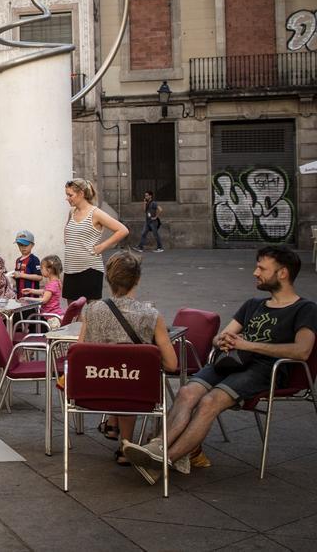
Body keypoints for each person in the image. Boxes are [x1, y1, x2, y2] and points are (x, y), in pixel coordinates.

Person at [122, 246, 316, 483]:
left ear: (283, 273)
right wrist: (222, 340)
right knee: (186, 392)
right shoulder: (253, 304)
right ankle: (158, 447)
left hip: (266, 369)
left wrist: (249, 346)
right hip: (231, 361)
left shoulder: (304, 309)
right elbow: (222, 335)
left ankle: (164, 461)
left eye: (262, 268)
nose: (255, 272)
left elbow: (302, 350)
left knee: (209, 401)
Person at [78, 252, 179, 465]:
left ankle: (113, 425)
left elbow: (81, 350)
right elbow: (172, 364)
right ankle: (125, 445)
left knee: (116, 370)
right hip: (135, 390)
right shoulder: (151, 315)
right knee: (129, 373)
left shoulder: (91, 310)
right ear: (137, 279)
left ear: (109, 279)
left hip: (96, 388)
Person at [62, 178, 128, 302]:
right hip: (70, 268)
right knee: (73, 312)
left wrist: (102, 247)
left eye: (70, 195)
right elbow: (68, 234)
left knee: (92, 310)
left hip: (90, 269)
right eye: (67, 195)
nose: (67, 198)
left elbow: (123, 230)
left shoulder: (96, 213)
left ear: (81, 194)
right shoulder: (72, 212)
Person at [11, 230, 42, 295]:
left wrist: (21, 275)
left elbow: (39, 277)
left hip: (32, 297)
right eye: (20, 245)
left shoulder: (34, 259)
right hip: (20, 294)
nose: (23, 247)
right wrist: (13, 275)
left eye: (26, 245)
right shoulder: (18, 260)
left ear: (32, 245)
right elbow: (18, 275)